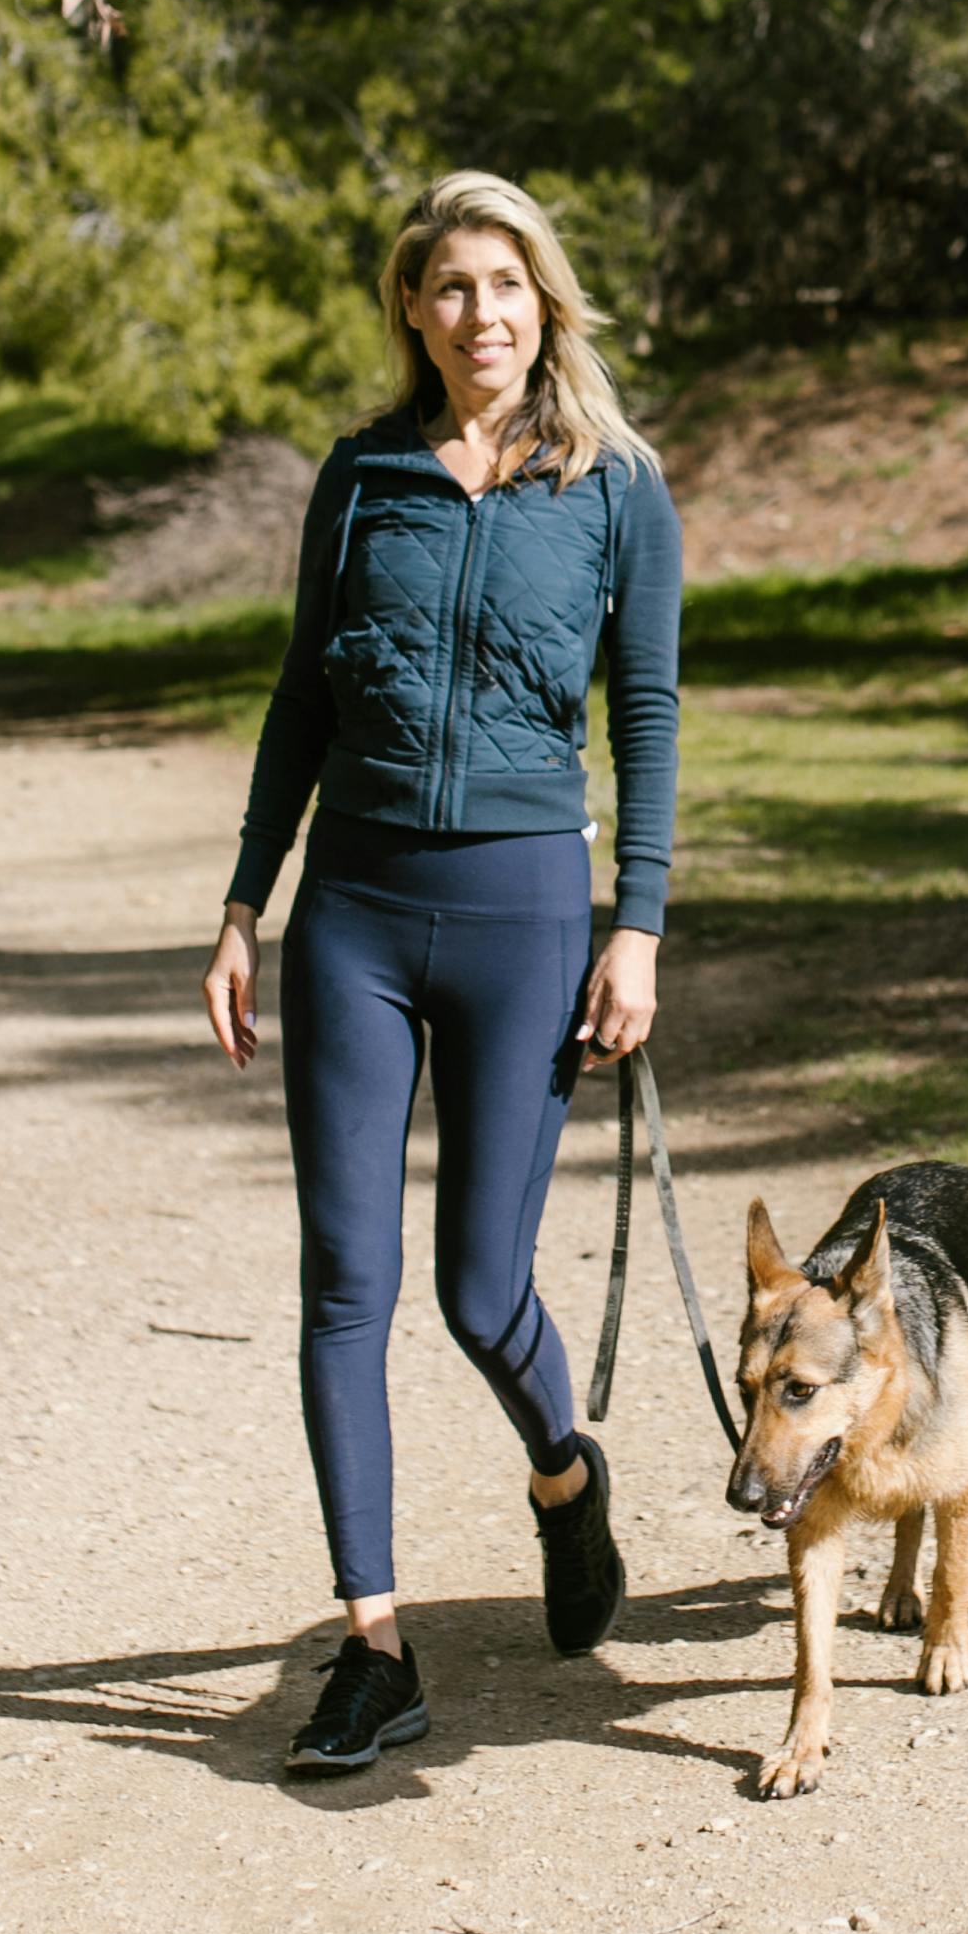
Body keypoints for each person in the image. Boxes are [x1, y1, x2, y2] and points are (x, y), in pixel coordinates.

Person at [201, 169, 682, 1778]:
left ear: (545, 299)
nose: (480, 312)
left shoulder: (615, 488)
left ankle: (564, 1475)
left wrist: (640, 923)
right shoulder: (361, 478)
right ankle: (373, 1647)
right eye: (449, 286)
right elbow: (297, 702)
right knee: (344, 1281)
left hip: (527, 915)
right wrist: (243, 904)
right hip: (355, 910)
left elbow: (649, 715)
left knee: (484, 1289)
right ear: (412, 309)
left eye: (505, 282)